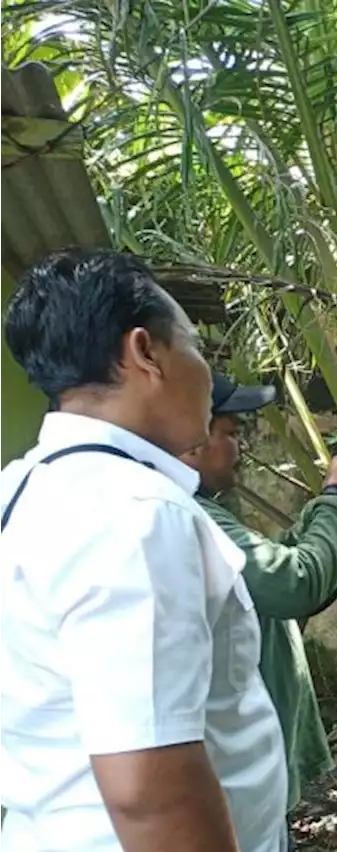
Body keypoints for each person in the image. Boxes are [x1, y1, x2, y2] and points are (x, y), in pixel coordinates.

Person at [0, 249, 287, 852]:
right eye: (195, 347)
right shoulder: (136, 516)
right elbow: (149, 791)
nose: (207, 376)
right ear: (144, 352)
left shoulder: (20, 490)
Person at [179, 374, 337, 843]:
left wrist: (329, 502)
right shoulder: (192, 516)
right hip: (235, 794)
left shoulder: (203, 513)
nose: (240, 448)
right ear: (191, 439)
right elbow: (295, 582)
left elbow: (271, 572)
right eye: (229, 433)